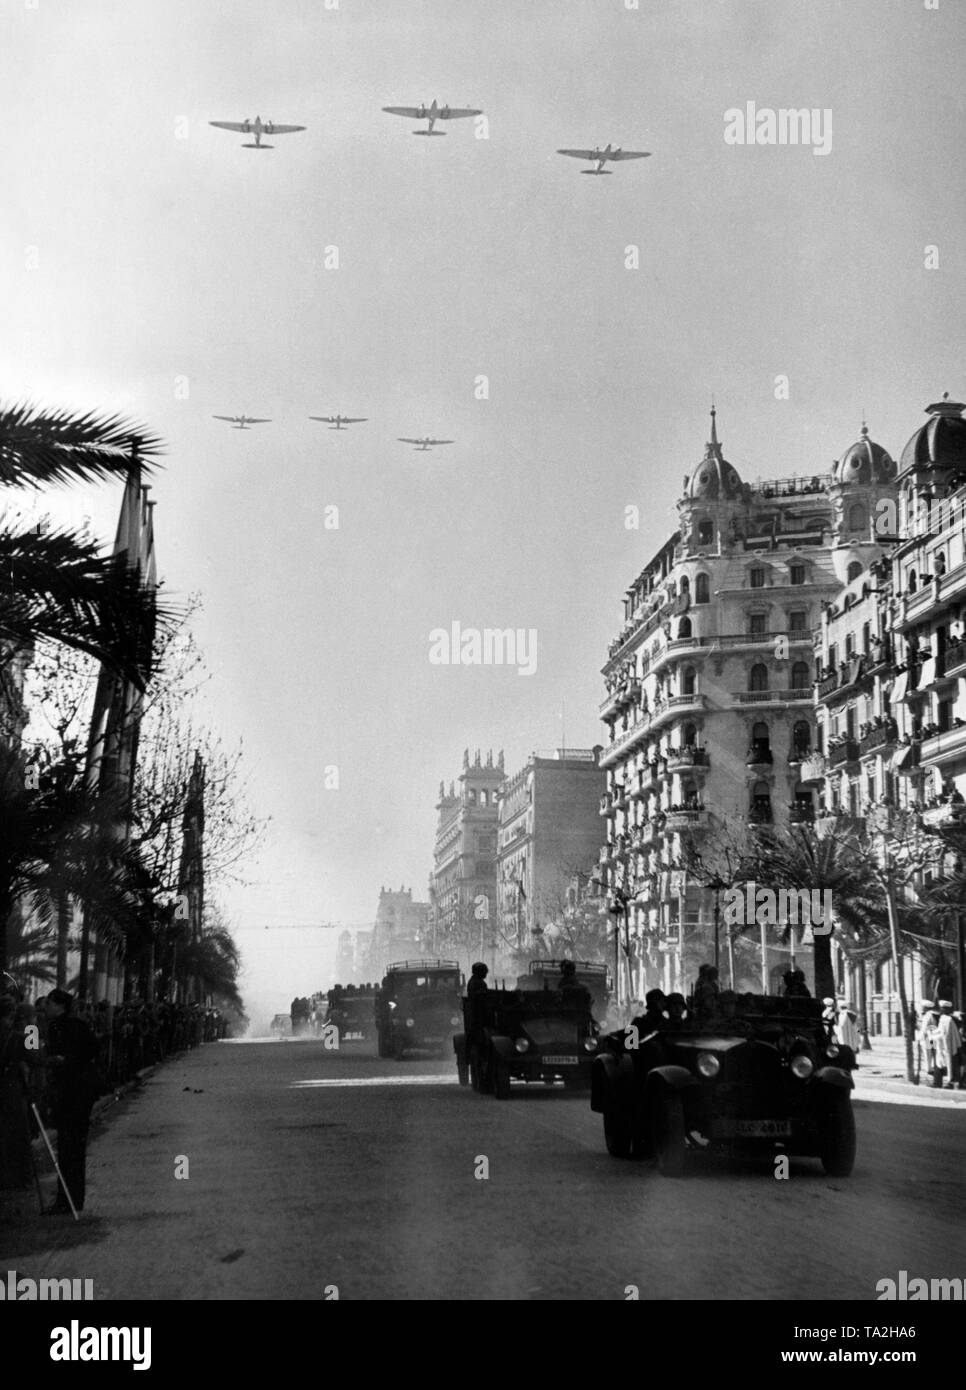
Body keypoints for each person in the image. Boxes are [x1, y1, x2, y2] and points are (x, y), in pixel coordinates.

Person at [44, 989, 100, 1215]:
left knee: (68, 1147)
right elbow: (94, 1048)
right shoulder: (78, 1024)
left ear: (60, 1006)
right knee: (73, 1146)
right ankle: (72, 1198)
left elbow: (39, 1054)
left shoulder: (57, 1026)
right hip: (81, 1092)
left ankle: (66, 1200)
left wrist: (66, 1061)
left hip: (70, 1092)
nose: (45, 1007)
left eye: (48, 1003)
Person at [933, 1001, 962, 1090]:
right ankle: (938, 1082)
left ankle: (950, 1083)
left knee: (950, 1064)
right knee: (940, 1063)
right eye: (941, 1008)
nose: (941, 1009)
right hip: (943, 1045)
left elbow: (945, 1034)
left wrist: (933, 1037)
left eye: (943, 1008)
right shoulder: (944, 1018)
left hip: (947, 1045)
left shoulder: (947, 1020)